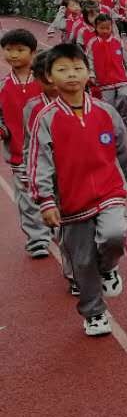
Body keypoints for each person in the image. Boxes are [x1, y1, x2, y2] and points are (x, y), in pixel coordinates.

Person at [27, 42, 127, 336]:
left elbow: (122, 151)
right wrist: (46, 201)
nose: (71, 74)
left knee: (116, 234)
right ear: (49, 77)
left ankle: (109, 267)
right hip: (72, 203)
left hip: (110, 192)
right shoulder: (46, 119)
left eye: (78, 68)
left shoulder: (105, 111)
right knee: (83, 262)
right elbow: (39, 161)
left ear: (88, 73)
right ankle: (94, 313)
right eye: (62, 69)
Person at [1, 28, 49, 259]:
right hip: (19, 153)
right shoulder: (2, 87)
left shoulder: (45, 82)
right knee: (28, 199)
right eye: (8, 50)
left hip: (51, 153)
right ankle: (37, 239)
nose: (13, 55)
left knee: (55, 194)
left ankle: (61, 230)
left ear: (33, 52)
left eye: (20, 50)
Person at [85, 13, 127, 131]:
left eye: (107, 28)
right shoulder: (92, 43)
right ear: (96, 28)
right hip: (103, 81)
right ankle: (112, 122)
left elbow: (126, 58)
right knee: (108, 105)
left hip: (120, 78)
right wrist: (91, 75)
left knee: (126, 96)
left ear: (111, 27)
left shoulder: (117, 41)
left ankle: (126, 117)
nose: (105, 31)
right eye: (101, 28)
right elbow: (90, 60)